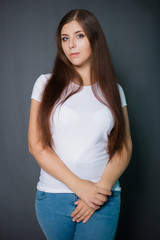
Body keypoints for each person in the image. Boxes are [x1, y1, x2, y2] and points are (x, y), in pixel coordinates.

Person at [28, 9, 132, 240]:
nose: (71, 45)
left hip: (102, 196)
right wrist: (80, 187)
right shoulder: (45, 84)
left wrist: (98, 192)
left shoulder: (114, 90)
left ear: (94, 39)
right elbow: (36, 145)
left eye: (79, 36)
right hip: (53, 197)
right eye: (65, 38)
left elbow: (123, 147)